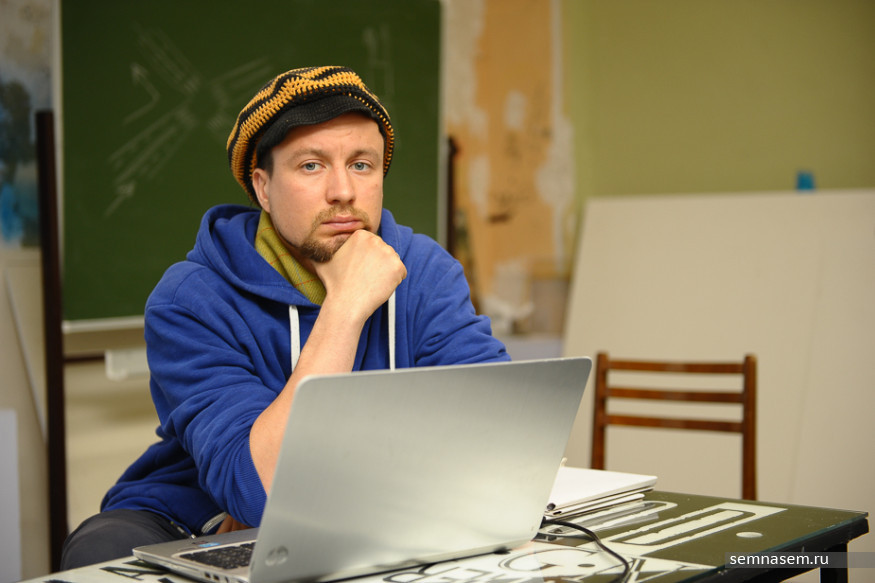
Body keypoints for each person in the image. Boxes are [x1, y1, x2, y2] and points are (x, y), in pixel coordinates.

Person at [60, 65, 508, 569]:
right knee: (100, 549)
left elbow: (499, 433)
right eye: (311, 166)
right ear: (263, 188)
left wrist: (284, 495)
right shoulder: (189, 299)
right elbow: (265, 491)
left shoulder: (424, 271)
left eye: (362, 165)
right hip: (194, 517)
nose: (343, 191)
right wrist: (345, 306)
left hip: (374, 504)